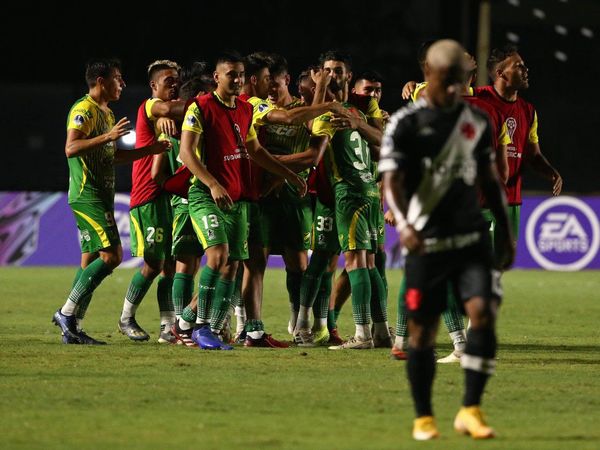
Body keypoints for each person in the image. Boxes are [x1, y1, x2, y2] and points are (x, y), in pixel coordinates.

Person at [381, 40, 514, 440]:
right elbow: (393, 182)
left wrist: (505, 233)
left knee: (484, 315)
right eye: (449, 80)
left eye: (464, 80)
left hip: (472, 239)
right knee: (422, 333)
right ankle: (424, 416)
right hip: (427, 244)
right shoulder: (405, 124)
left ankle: (470, 409)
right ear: (429, 75)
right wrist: (404, 225)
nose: (457, 88)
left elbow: (491, 182)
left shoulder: (478, 121)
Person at [179, 51, 306, 350]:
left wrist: (289, 174)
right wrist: (212, 183)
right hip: (205, 195)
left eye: (239, 74)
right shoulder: (200, 107)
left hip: (235, 199)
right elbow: (186, 153)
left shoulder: (245, 110)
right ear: (217, 77)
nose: (236, 79)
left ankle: (187, 321)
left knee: (232, 265)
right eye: (230, 74)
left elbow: (256, 151)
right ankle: (201, 327)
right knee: (218, 255)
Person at [52, 58, 170, 344]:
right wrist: (108, 136)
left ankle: (74, 327)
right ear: (101, 81)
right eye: (118, 78)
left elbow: (112, 156)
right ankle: (67, 313)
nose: (123, 83)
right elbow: (71, 148)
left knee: (90, 260)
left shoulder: (105, 112)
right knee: (113, 255)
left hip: (101, 196)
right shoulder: (84, 110)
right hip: (86, 195)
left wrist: (149, 150)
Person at [118, 59, 187, 343]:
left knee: (169, 264)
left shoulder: (167, 113)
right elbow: (166, 110)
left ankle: (166, 326)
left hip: (168, 195)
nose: (174, 86)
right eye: (168, 81)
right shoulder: (149, 106)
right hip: (148, 196)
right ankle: (126, 317)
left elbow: (172, 113)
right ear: (153, 86)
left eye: (177, 81)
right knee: (154, 263)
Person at [477, 45, 562, 257]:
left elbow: (533, 155)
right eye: (519, 66)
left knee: (500, 266)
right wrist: (416, 86)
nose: (526, 70)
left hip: (511, 202)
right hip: (480, 200)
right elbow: (441, 94)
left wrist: (550, 172)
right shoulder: (477, 99)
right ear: (500, 74)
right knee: (478, 266)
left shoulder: (529, 111)